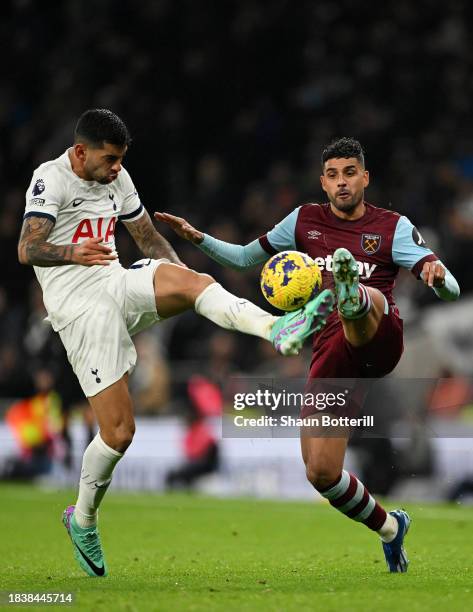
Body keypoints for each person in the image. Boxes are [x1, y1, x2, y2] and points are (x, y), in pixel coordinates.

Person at [17, 109, 335, 578]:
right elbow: (27, 247)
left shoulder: (117, 179)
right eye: (109, 159)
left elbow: (146, 238)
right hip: (80, 311)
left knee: (195, 281)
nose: (116, 168)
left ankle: (277, 330)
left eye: (121, 160)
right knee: (119, 433)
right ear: (81, 152)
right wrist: (72, 252)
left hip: (116, 283)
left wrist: (178, 280)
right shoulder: (50, 179)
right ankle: (81, 517)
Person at [156, 137, 461, 573]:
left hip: (380, 335)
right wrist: (198, 238)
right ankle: (391, 528)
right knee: (320, 473)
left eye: (350, 173)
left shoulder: (391, 226)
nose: (342, 183)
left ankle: (348, 292)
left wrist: (436, 275)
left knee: (366, 298)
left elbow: (450, 289)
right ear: (323, 181)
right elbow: (245, 260)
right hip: (334, 355)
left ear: (365, 177)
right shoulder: (303, 221)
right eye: (333, 175)